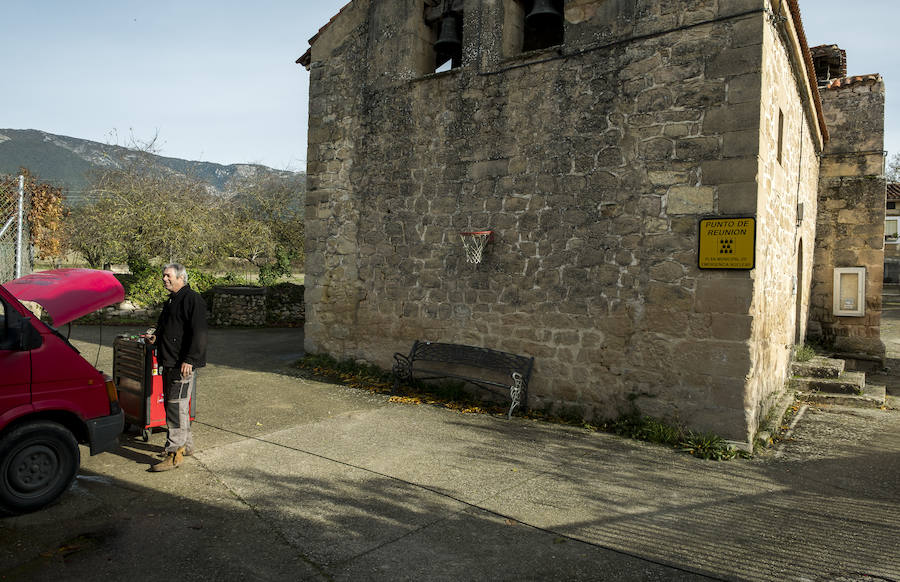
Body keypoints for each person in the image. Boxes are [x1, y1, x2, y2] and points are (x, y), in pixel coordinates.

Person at [148, 263, 207, 472]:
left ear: (181, 278)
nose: (164, 279)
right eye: (163, 276)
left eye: (168, 276)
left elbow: (199, 332)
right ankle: (187, 445)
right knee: (176, 406)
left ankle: (174, 453)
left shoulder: (192, 299)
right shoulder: (171, 301)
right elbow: (167, 328)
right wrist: (155, 338)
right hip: (170, 362)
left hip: (183, 365)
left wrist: (190, 359)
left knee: (175, 408)